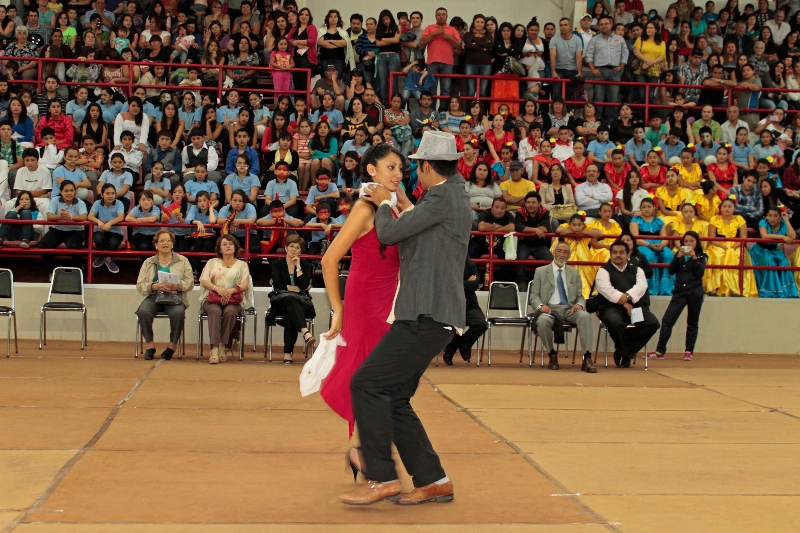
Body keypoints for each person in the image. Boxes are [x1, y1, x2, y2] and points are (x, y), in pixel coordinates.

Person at [337, 131, 471, 506]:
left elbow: (390, 233)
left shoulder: (441, 197)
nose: (408, 173)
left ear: (426, 166)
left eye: (412, 166)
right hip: (432, 313)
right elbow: (418, 226)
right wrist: (402, 201)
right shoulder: (451, 195)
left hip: (425, 313)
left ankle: (381, 477)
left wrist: (383, 202)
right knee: (395, 397)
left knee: (366, 382)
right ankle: (433, 480)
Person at [530, 241, 597, 373]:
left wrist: (579, 304)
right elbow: (534, 296)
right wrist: (541, 306)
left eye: (565, 252)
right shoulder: (541, 271)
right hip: (549, 309)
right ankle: (552, 354)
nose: (562, 254)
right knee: (542, 321)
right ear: (553, 253)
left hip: (569, 309)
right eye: (559, 251)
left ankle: (587, 358)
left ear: (569, 255)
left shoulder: (574, 273)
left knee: (585, 317)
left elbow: (580, 296)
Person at [595, 240, 661, 367]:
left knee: (652, 323)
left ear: (627, 254)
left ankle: (624, 351)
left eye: (621, 252)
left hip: (634, 308)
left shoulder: (637, 270)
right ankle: (626, 353)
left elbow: (641, 287)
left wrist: (628, 296)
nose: (618, 255)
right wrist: (624, 302)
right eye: (615, 252)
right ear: (610, 254)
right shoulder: (603, 270)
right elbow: (606, 289)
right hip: (610, 308)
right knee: (615, 322)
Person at [134, 229, 194, 361]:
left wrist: (176, 286)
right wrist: (154, 286)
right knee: (143, 311)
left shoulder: (183, 260)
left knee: (178, 313)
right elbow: (140, 285)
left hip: (175, 296)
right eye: (162, 241)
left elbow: (190, 283)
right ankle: (150, 346)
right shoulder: (149, 262)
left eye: (168, 240)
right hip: (154, 296)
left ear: (172, 244)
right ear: (156, 244)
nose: (165, 243)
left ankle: (172, 346)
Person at [648, 231, 707, 361]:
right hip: (680, 291)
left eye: (691, 241)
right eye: (686, 241)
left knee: (692, 322)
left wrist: (694, 257)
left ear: (697, 243)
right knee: (667, 320)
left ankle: (688, 351)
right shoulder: (678, 255)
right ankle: (660, 351)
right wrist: (678, 257)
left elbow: (700, 273)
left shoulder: (701, 256)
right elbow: (671, 271)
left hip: (695, 291)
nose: (688, 244)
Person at [198, 234, 252, 364]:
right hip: (212, 298)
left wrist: (230, 291)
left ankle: (223, 344)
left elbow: (245, 284)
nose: (228, 246)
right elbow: (204, 281)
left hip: (234, 299)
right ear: (219, 249)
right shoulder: (212, 262)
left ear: (235, 247)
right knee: (215, 311)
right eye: (224, 244)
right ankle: (214, 348)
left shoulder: (242, 265)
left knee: (231, 312)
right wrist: (218, 289)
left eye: (230, 244)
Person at [266, 234, 315, 364]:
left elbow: (303, 285)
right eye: (291, 246)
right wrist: (297, 289)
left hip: (300, 302)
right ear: (286, 248)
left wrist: (298, 267)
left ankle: (288, 354)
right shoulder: (277, 264)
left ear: (300, 251)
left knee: (290, 314)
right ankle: (305, 331)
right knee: (291, 299)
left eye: (297, 247)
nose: (294, 249)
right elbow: (278, 285)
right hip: (281, 301)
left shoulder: (305, 265)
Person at [706, 197, 759, 296]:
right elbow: (712, 239)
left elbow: (744, 238)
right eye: (724, 206)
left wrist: (733, 247)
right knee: (718, 256)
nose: (727, 208)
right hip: (718, 245)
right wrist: (724, 247)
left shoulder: (739, 219)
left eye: (729, 206)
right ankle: (714, 288)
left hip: (736, 245)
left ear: (734, 209)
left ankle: (735, 289)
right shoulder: (714, 219)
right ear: (721, 208)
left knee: (735, 256)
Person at [441, 258, 487, 366]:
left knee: (481, 324)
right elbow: (446, 284)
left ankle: (461, 344)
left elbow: (475, 284)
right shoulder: (445, 263)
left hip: (469, 305)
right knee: (449, 325)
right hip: (450, 306)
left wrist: (456, 283)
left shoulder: (471, 264)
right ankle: (454, 348)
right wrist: (466, 282)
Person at [585, 16, 628, 121]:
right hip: (599, 71)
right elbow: (588, 55)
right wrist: (593, 70)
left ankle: (612, 121)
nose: (604, 26)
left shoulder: (620, 39)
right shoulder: (594, 40)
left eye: (606, 23)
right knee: (598, 98)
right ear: (598, 26)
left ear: (611, 24)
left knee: (613, 98)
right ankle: (598, 119)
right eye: (601, 24)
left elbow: (625, 54)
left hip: (615, 71)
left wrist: (621, 67)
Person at [750, 206, 799, 298]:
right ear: (766, 216)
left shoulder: (783, 223)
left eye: (775, 216)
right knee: (770, 260)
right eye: (770, 215)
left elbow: (792, 236)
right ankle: (771, 290)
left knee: (784, 263)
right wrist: (782, 237)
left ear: (780, 217)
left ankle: (787, 290)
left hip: (775, 249)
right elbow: (764, 236)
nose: (772, 218)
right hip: (760, 249)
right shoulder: (763, 222)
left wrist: (786, 220)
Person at [514, 191, 554, 287]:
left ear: (539, 203)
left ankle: (546, 284)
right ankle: (521, 283)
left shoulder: (544, 211)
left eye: (533, 202)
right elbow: (519, 227)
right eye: (528, 202)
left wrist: (527, 231)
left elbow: (545, 227)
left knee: (550, 260)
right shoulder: (520, 212)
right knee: (520, 259)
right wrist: (536, 230)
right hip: (524, 244)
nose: (530, 205)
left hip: (539, 244)